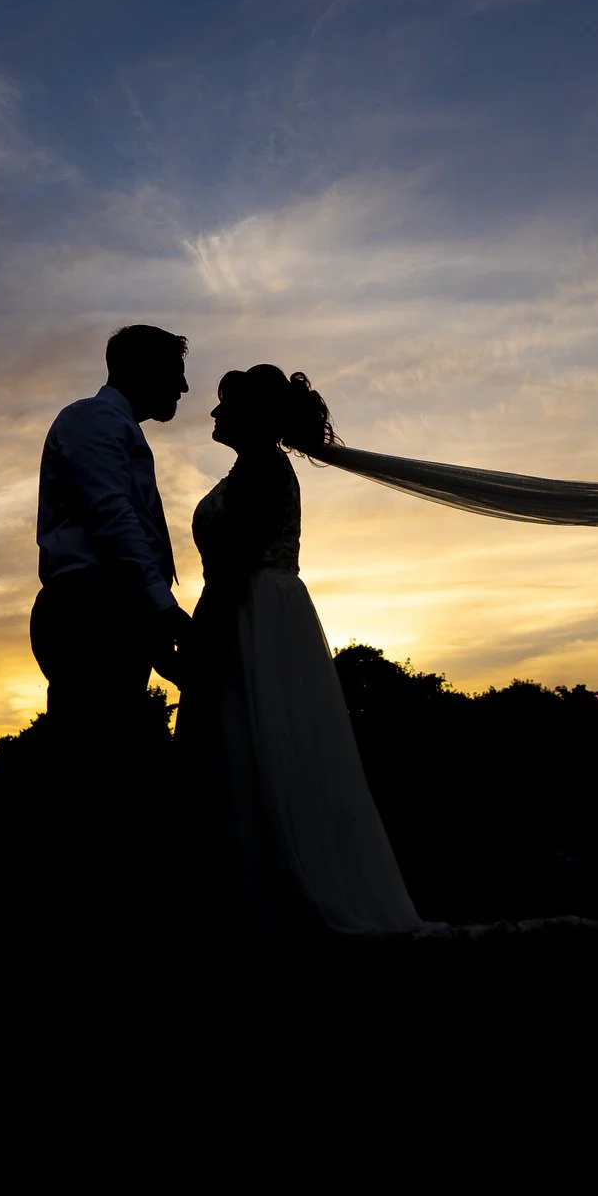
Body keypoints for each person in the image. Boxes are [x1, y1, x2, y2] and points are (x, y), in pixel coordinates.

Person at [176, 366, 426, 938]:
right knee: (247, 740)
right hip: (253, 606)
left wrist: (201, 640)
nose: (214, 415)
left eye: (224, 405)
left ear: (250, 415)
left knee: (261, 735)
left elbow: (237, 561)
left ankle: (279, 895)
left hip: (256, 610)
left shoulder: (264, 466)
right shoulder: (252, 467)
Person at [30, 325, 194, 903]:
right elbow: (114, 516)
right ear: (143, 370)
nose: (184, 386)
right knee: (93, 769)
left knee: (114, 761)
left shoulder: (114, 426)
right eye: (175, 373)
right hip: (88, 609)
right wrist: (166, 610)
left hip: (108, 607)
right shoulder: (94, 421)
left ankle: (106, 892)